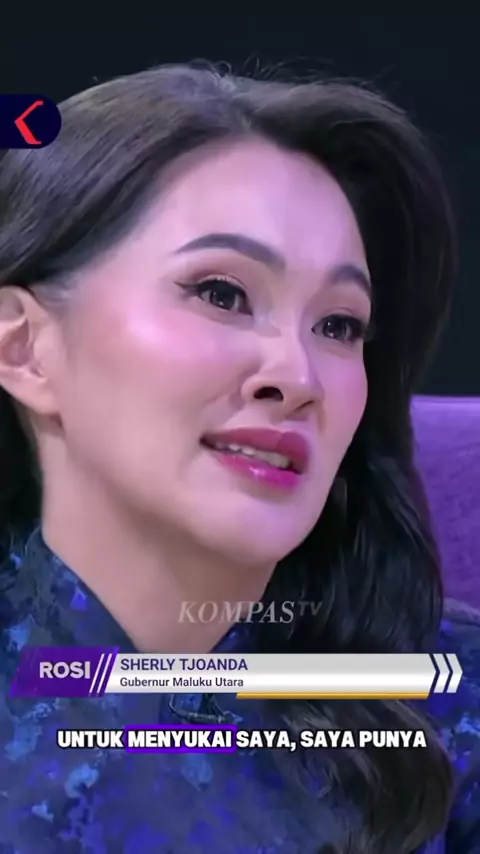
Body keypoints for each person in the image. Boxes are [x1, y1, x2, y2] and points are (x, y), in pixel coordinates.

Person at [0, 63, 478, 854]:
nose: (298, 376)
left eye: (339, 325)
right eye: (221, 293)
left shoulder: (443, 701)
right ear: (23, 348)